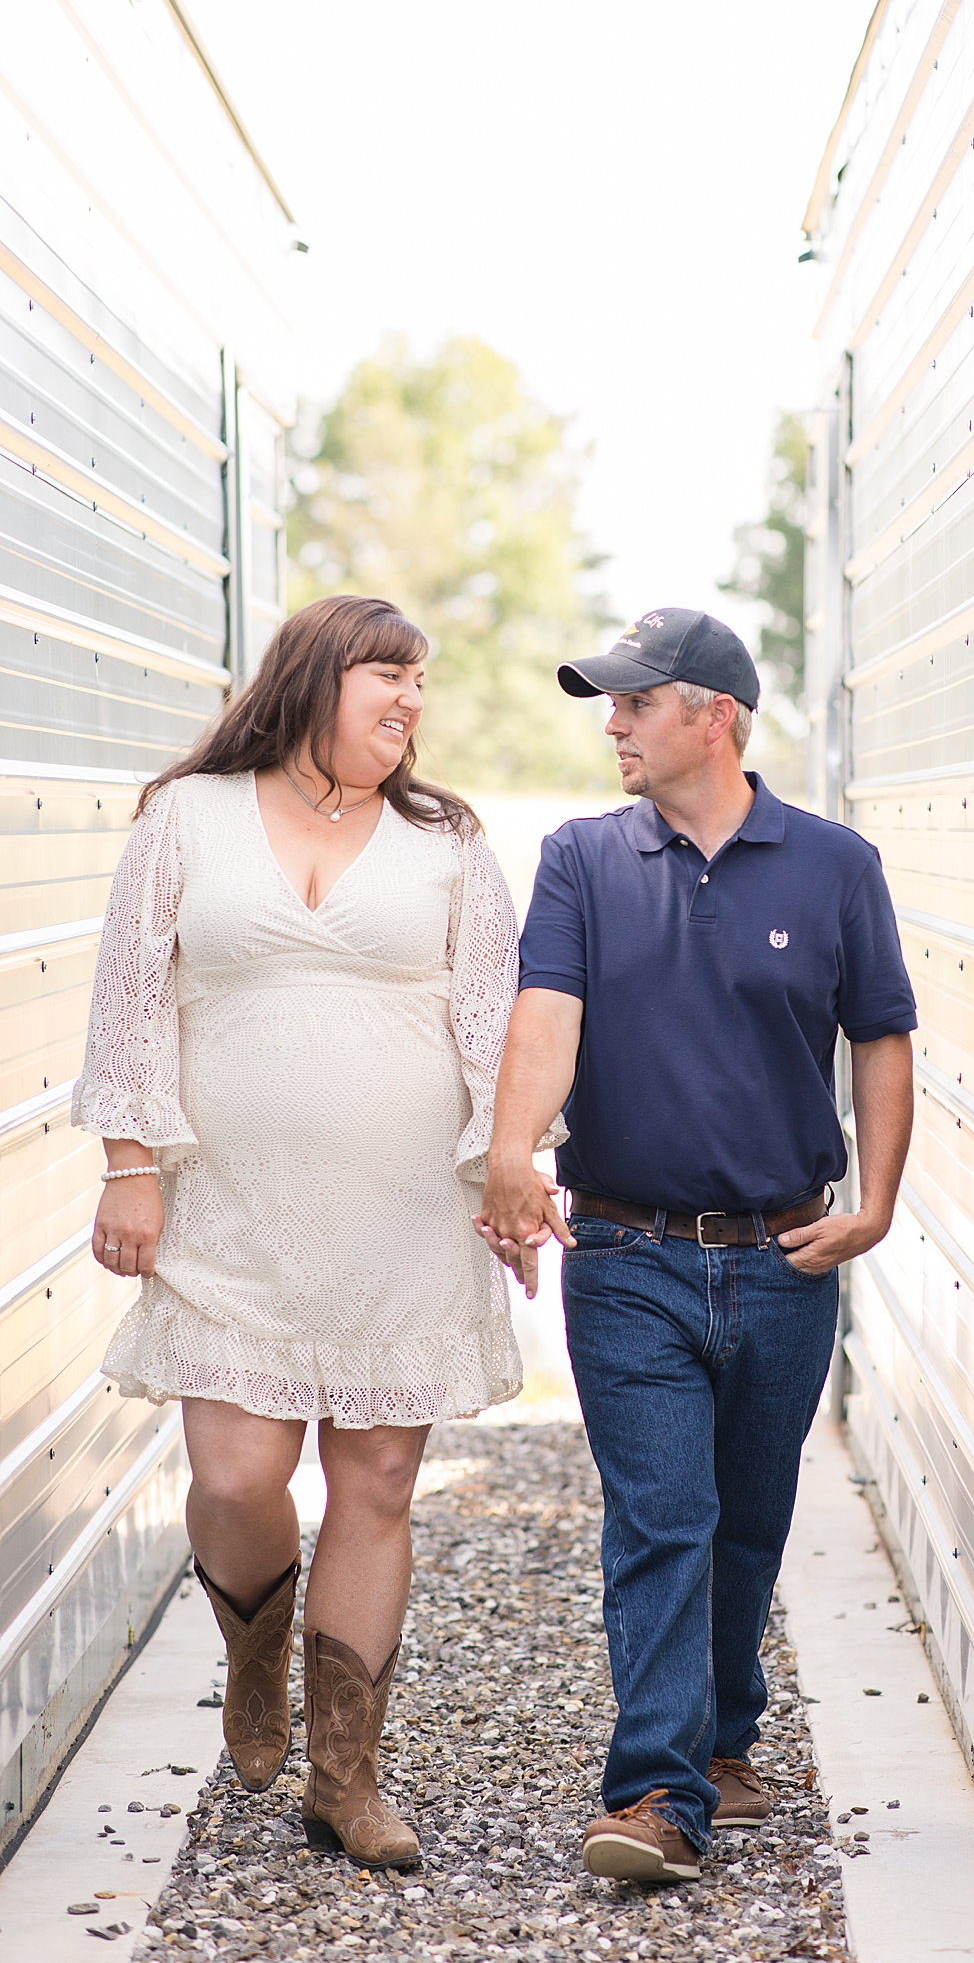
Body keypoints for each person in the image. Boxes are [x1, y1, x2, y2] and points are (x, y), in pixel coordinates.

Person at [74, 594, 552, 1869]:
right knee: (234, 1479)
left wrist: (508, 1173)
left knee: (378, 1484)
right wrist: (130, 1164)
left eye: (418, 686)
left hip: (402, 1220)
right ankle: (253, 1655)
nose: (407, 702)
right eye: (383, 677)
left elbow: (497, 1025)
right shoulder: (189, 816)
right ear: (310, 680)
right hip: (226, 1212)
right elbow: (129, 995)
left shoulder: (446, 838)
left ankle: (347, 1776)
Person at [476, 606, 917, 1882]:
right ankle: (659, 1794)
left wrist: (876, 1203)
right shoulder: (580, 860)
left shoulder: (834, 865)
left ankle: (725, 1741)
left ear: (713, 715)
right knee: (664, 1517)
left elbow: (881, 1034)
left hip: (786, 1258)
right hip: (626, 1255)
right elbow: (544, 1014)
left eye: (632, 701)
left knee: (746, 1521)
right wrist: (516, 1146)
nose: (610, 724)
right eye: (606, 706)